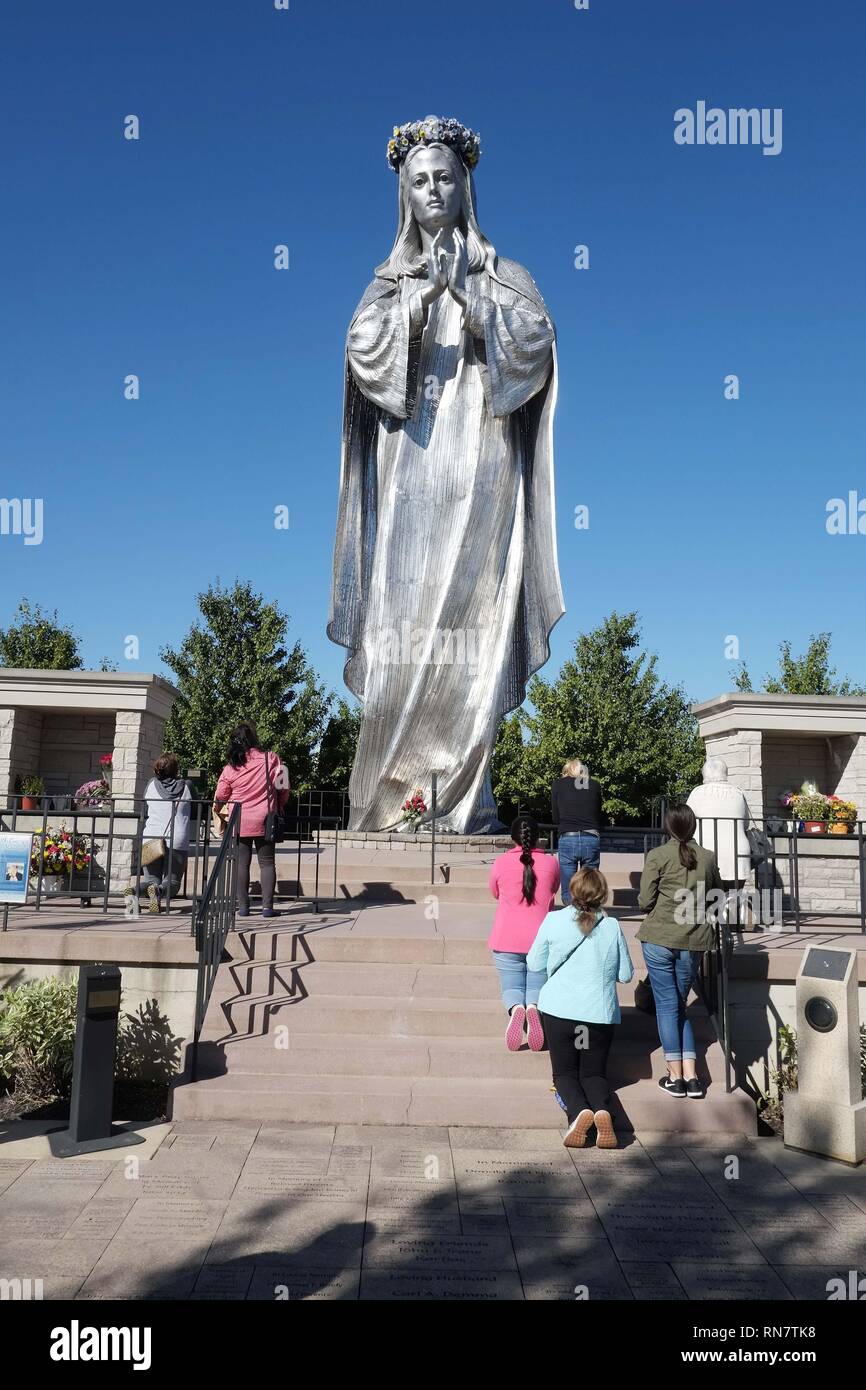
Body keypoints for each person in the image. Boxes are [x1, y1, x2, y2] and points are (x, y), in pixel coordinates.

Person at [528, 868, 634, 1149]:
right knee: (594, 1074)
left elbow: (533, 963)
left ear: (572, 892)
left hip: (559, 1012)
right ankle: (601, 1110)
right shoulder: (611, 926)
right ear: (602, 894)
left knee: (564, 1074)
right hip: (597, 1015)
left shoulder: (553, 920)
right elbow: (625, 975)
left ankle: (578, 1113)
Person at [637, 804, 723, 1099]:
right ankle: (693, 1076)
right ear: (694, 827)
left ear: (668, 828)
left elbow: (644, 900)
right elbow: (717, 897)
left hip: (660, 938)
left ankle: (675, 1076)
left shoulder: (658, 856)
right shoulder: (709, 858)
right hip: (694, 941)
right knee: (679, 1005)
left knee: (667, 1006)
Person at [488, 817, 560, 1051]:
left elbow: (495, 893)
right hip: (541, 938)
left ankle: (516, 1008)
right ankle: (533, 1007)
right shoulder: (551, 863)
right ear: (538, 836)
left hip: (506, 937)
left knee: (511, 987)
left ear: (512, 838)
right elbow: (553, 890)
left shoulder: (500, 863)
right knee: (537, 986)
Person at [214, 724, 290, 919]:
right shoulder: (271, 759)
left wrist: (218, 809)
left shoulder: (231, 766)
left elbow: (221, 794)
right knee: (267, 863)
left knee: (241, 864)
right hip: (266, 818)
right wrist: (279, 805)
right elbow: (283, 786)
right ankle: (267, 908)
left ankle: (244, 908)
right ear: (254, 739)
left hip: (239, 819)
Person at [128, 753, 192, 914]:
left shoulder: (150, 784)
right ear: (176, 770)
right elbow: (198, 808)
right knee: (172, 882)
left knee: (150, 880)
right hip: (177, 839)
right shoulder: (187, 786)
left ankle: (134, 891)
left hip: (151, 838)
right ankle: (159, 892)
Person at [551, 757, 603, 904]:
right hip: (591, 837)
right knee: (590, 885)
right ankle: (590, 914)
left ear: (567, 771)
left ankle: (571, 917)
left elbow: (555, 817)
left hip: (568, 837)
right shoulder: (594, 785)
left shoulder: (558, 784)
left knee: (568, 889)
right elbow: (598, 813)